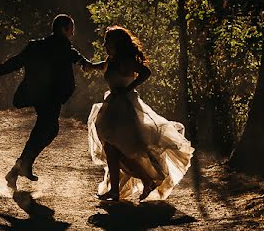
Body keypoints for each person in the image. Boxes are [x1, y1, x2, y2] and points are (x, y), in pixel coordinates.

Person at [83, 26, 194, 202]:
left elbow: (146, 72)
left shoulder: (126, 60)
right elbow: (103, 66)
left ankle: (145, 180)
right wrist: (89, 66)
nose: (105, 44)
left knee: (123, 150)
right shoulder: (111, 60)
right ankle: (118, 190)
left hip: (125, 108)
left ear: (117, 43)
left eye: (107, 41)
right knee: (112, 149)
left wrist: (128, 88)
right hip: (113, 107)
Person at [0, 14, 90, 188]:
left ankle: (19, 168)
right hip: (50, 97)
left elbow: (15, 63)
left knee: (49, 130)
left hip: (41, 96)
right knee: (47, 129)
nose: (73, 32)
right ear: (63, 29)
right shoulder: (64, 48)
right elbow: (83, 62)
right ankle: (21, 166)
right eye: (71, 28)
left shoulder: (39, 46)